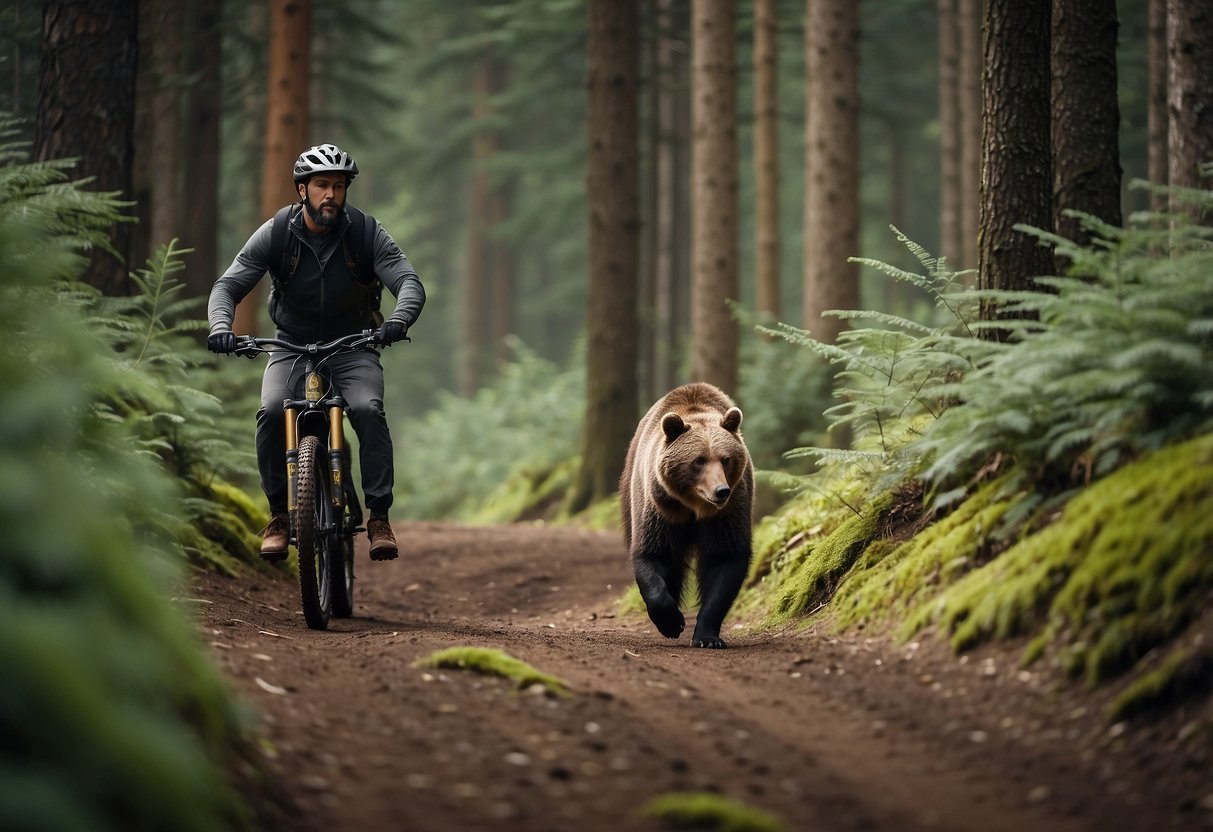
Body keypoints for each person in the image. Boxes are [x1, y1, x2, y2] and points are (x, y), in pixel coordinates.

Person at [207, 143, 424, 562]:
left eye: (338, 186)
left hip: (354, 345)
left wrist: (399, 320)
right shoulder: (276, 233)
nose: (331, 194)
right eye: (321, 185)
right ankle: (278, 516)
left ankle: (378, 516)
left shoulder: (365, 232)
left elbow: (408, 281)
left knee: (366, 408)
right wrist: (221, 326)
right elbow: (227, 286)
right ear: (301, 190)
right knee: (272, 410)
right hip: (289, 344)